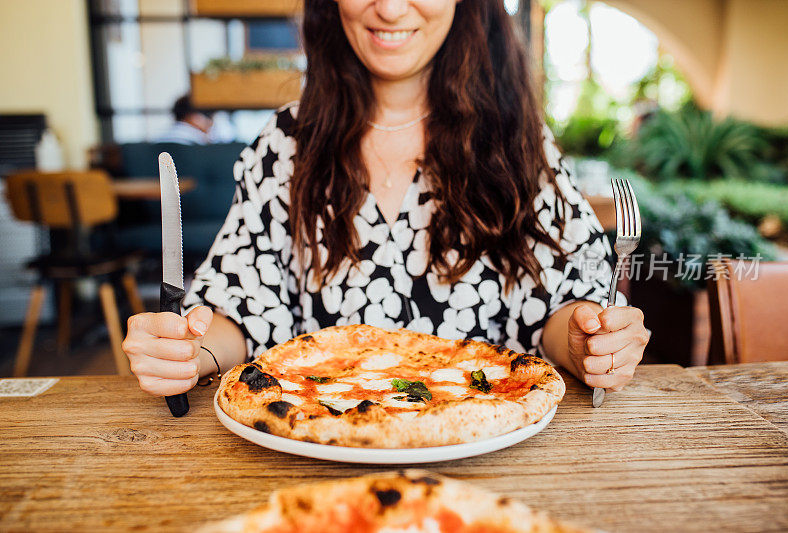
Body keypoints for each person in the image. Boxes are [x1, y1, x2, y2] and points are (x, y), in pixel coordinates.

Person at [123, 0, 649, 398]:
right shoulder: (289, 139)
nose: (392, 8)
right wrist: (188, 350)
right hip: (319, 441)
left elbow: (560, 310)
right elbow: (239, 309)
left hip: (491, 440)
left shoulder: (518, 137)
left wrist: (590, 344)